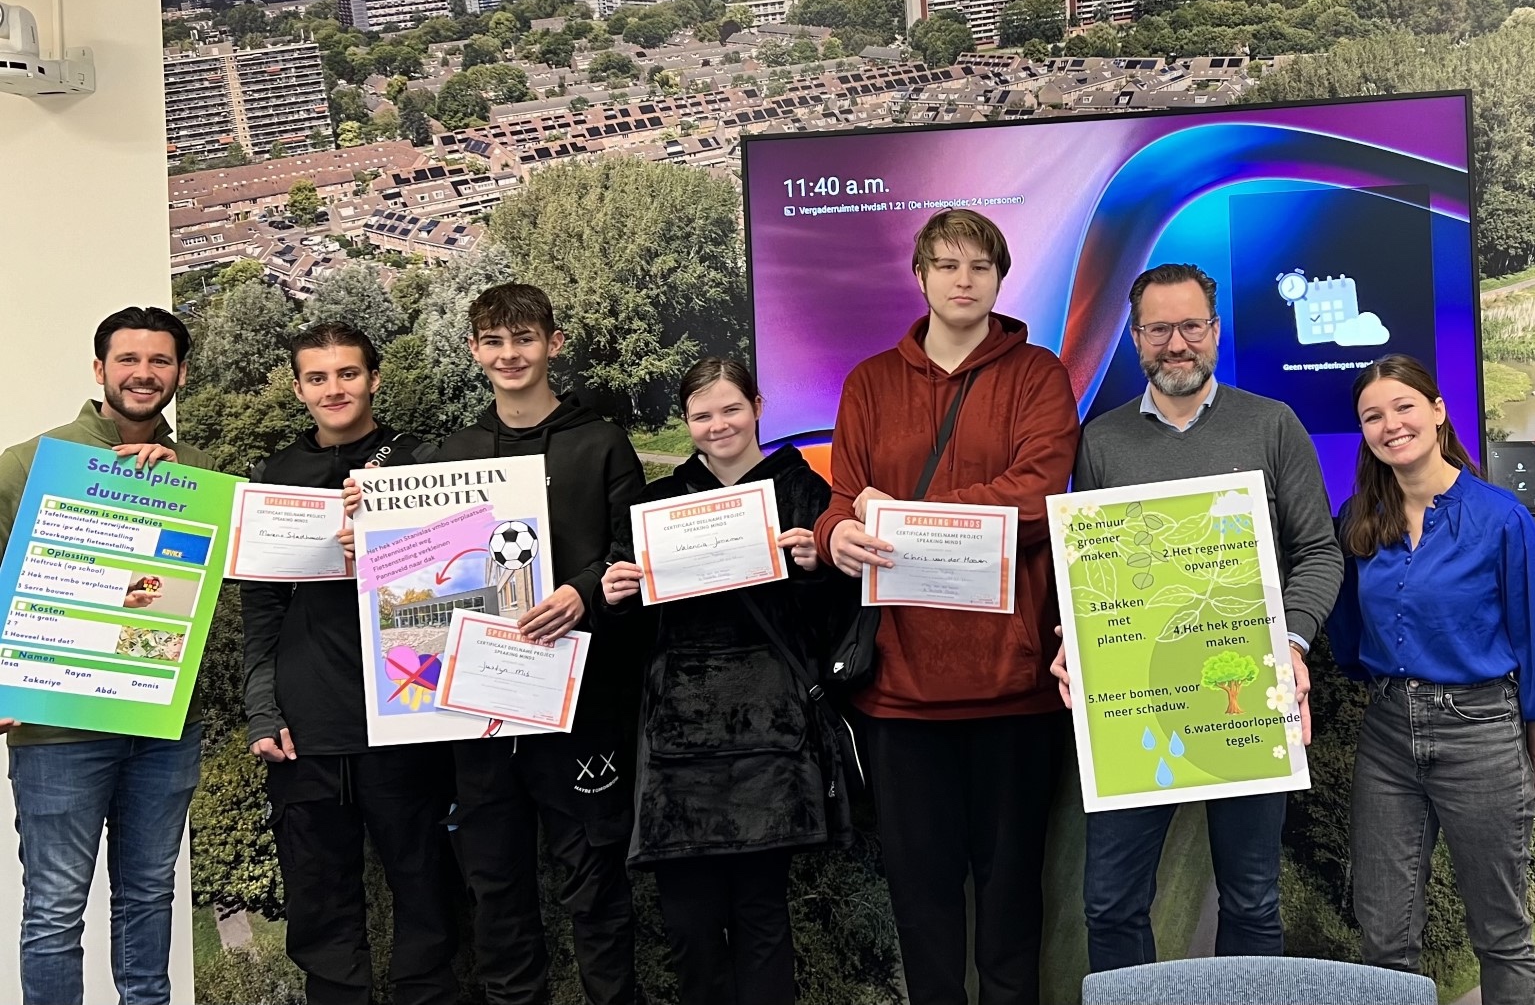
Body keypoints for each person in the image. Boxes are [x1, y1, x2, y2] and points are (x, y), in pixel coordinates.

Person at [815, 209, 1079, 1005]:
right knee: (921, 902)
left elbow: (1038, 497)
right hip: (899, 692)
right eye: (947, 265)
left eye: (980, 266)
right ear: (921, 276)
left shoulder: (1038, 374)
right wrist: (836, 538)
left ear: (1001, 280)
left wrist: (907, 516)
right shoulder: (869, 381)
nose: (963, 280)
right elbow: (838, 502)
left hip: (1012, 686)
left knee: (1010, 902)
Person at [1048, 263, 1345, 972]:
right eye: (1158, 328)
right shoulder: (1101, 441)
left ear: (1215, 331)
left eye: (1190, 326)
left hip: (1245, 700)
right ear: (1135, 336)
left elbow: (1319, 552)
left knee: (1251, 902)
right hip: (1137, 710)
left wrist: (1293, 643)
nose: (1175, 343)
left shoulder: (1273, 425)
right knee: (1112, 904)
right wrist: (1077, 640)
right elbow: (1091, 572)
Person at [1326, 354, 1535, 1005]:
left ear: (1438, 410)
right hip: (1386, 736)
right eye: (1373, 416)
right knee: (1384, 939)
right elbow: (1346, 625)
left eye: (1404, 406)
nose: (1391, 424)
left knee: (1500, 933)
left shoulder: (1501, 519)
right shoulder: (1358, 517)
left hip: (1482, 736)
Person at [601, 357, 856, 1005]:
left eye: (731, 409)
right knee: (688, 926)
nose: (718, 425)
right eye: (702, 414)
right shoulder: (655, 506)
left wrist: (815, 567)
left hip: (770, 737)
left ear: (759, 406)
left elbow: (836, 626)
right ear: (686, 421)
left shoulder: (807, 494)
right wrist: (617, 596)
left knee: (763, 915)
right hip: (678, 746)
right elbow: (633, 641)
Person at [423, 284, 645, 1005]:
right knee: (498, 894)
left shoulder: (602, 442)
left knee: (596, 890)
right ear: (474, 351)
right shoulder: (451, 457)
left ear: (553, 342)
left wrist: (583, 589)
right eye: (493, 340)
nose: (509, 354)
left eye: (523, 338)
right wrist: (369, 510)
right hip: (483, 713)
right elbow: (417, 559)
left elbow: (630, 551)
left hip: (584, 703)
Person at [0, 307, 216, 1005]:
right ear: (100, 370)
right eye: (128, 360)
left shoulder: (203, 475)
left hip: (162, 729)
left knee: (151, 898)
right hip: (58, 729)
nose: (144, 374)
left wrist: (181, 483)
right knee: (56, 911)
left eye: (160, 362)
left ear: (180, 373)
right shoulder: (29, 463)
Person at [242, 322, 460, 1005]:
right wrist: (261, 707)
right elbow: (262, 611)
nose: (334, 389)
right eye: (318, 377)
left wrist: (388, 530)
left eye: (348, 373)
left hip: (409, 712)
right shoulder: (276, 477)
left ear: (374, 377)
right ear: (299, 387)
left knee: (428, 897)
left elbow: (461, 583)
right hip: (307, 729)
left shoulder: (424, 463)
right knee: (320, 909)